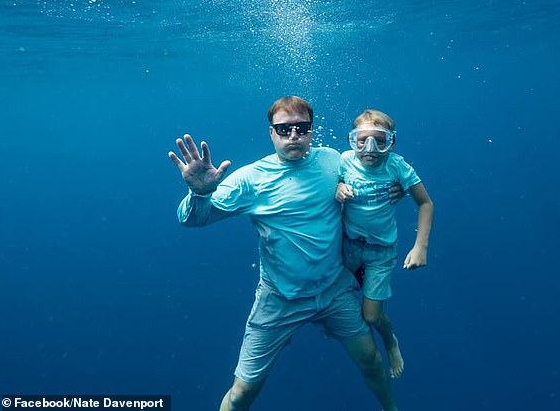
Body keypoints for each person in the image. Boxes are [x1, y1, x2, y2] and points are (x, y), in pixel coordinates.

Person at [168, 96, 399, 411]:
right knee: (240, 395)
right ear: (271, 133)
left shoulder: (333, 160)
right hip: (279, 301)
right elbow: (192, 219)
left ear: (312, 131)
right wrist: (199, 191)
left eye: (301, 128)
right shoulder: (252, 179)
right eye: (284, 129)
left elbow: (371, 170)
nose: (293, 136)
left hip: (334, 292)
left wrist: (392, 189)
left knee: (372, 361)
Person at [335, 109, 434, 379]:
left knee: (371, 317)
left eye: (380, 141)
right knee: (332, 299)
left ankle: (390, 340)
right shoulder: (343, 161)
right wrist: (337, 186)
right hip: (347, 246)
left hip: (380, 253)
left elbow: (425, 203)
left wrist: (420, 247)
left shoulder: (397, 167)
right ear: (351, 140)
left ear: (392, 142)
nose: (370, 149)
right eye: (361, 140)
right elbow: (323, 181)